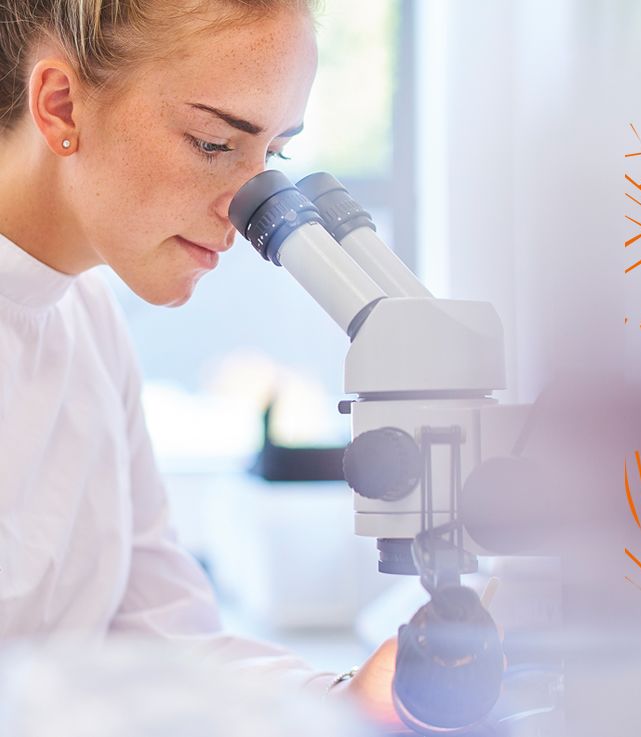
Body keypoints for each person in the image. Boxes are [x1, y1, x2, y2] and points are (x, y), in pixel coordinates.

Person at [0, 0, 401, 730]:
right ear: (60, 106)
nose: (247, 211)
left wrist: (348, 699)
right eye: (216, 143)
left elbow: (157, 638)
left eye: (272, 156)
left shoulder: (89, 322)